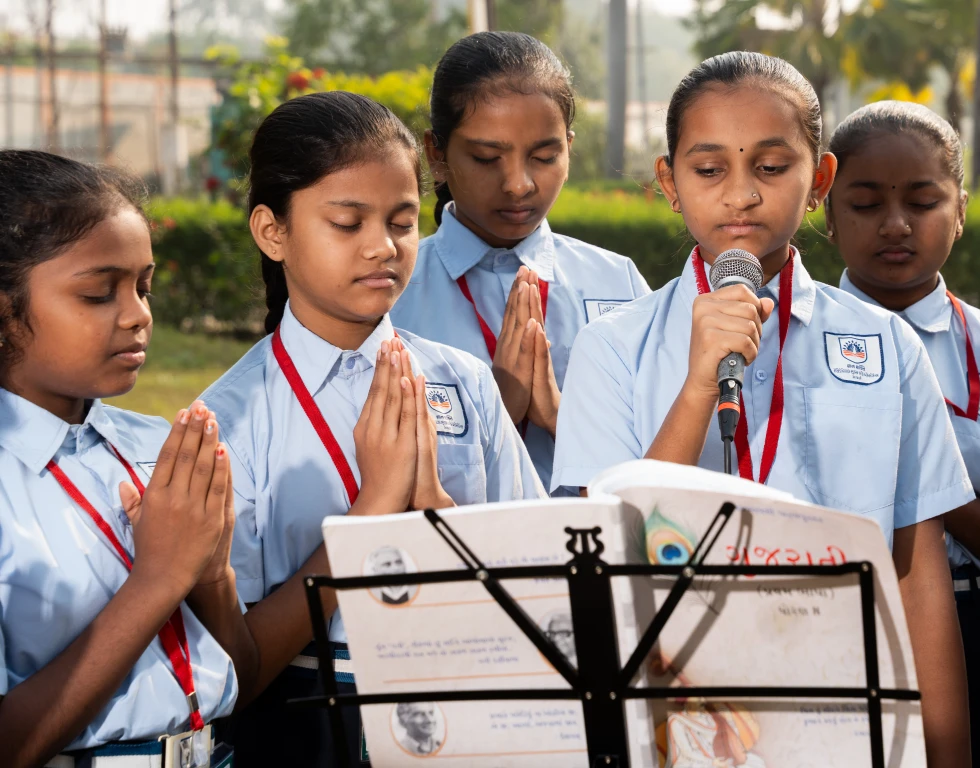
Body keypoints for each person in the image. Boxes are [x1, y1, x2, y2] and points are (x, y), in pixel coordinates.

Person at [553, 52, 975, 767]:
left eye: (772, 167)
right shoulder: (612, 347)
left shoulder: (884, 344)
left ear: (820, 181)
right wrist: (696, 388)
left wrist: (946, 754)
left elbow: (918, 572)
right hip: (667, 709)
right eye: (709, 169)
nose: (740, 195)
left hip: (841, 706)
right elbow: (602, 561)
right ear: (669, 183)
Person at [199, 91, 543, 767]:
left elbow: (536, 583)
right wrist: (371, 515)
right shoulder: (229, 421)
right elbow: (228, 663)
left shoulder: (466, 384)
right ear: (272, 231)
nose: (382, 247)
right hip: (302, 732)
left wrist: (434, 514)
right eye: (347, 222)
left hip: (469, 717)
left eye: (402, 222)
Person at [825, 100, 980, 768]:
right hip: (828, 631)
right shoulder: (780, 344)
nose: (897, 224)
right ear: (826, 212)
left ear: (960, 209)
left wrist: (938, 485)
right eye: (866, 203)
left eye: (923, 200)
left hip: (979, 638)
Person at [0, 150, 256, 767]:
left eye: (143, 285)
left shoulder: (153, 445)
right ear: (5, 310)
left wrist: (210, 574)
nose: (139, 314)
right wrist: (160, 577)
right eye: (97, 293)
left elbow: (240, 678)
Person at [392, 31, 651, 494]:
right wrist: (497, 410)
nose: (518, 184)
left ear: (568, 149)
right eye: (487, 158)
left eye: (544, 156)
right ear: (437, 155)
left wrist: (560, 417)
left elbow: (664, 454)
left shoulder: (616, 282)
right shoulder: (393, 292)